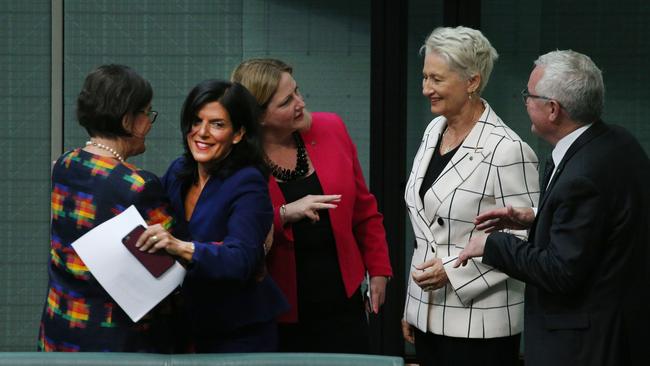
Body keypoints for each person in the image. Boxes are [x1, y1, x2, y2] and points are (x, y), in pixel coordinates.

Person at [455, 50, 650, 366]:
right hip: (621, 331)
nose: (525, 102)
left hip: (583, 346)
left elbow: (562, 272)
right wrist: (536, 217)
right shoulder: (618, 143)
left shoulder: (583, 175)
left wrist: (492, 244)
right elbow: (602, 228)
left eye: (528, 95)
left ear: (553, 109)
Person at [231, 58, 393, 353]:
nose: (300, 103)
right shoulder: (238, 161)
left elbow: (365, 211)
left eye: (297, 91)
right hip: (278, 312)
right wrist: (283, 215)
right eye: (286, 102)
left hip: (343, 304)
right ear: (259, 116)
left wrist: (379, 270)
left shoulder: (331, 128)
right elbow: (232, 236)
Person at [401, 26, 540, 366]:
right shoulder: (434, 130)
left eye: (436, 79)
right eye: (424, 77)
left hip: (481, 325)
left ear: (472, 81)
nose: (425, 89)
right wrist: (412, 306)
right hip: (427, 317)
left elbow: (524, 238)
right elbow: (427, 230)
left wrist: (451, 271)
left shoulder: (508, 150)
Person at [135, 79, 289, 352]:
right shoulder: (180, 169)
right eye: (196, 121)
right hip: (185, 327)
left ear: (238, 133)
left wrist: (180, 247)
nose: (201, 132)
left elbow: (241, 258)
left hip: (239, 332)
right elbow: (143, 206)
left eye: (217, 124)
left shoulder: (248, 181)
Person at [38, 64, 174, 351]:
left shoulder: (64, 164)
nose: (149, 123)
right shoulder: (138, 185)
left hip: (59, 327)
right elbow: (174, 261)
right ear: (127, 121)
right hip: (112, 341)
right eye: (146, 113)